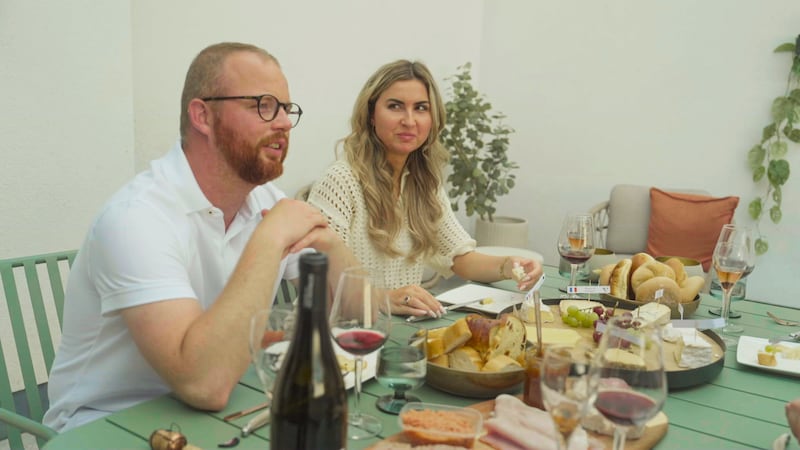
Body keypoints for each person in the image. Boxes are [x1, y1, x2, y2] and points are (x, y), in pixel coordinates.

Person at [43, 42, 357, 432]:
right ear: (202, 116)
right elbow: (204, 385)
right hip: (103, 427)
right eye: (262, 105)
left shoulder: (263, 201)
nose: (282, 123)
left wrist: (330, 242)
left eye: (286, 109)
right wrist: (270, 239)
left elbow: (358, 321)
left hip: (213, 414)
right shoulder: (136, 219)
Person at [307, 60, 543, 319]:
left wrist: (509, 266)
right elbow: (321, 284)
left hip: (399, 330)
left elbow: (460, 258)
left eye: (420, 108)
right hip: (336, 335)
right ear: (371, 114)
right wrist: (383, 298)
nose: (409, 121)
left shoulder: (423, 183)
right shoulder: (340, 180)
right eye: (395, 106)